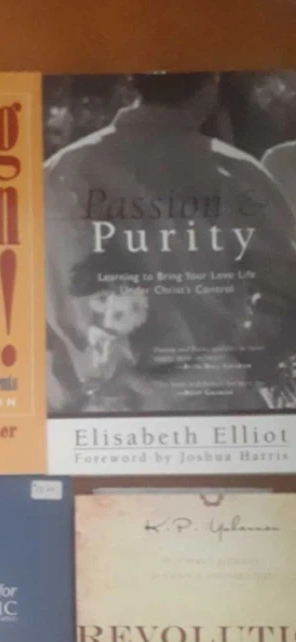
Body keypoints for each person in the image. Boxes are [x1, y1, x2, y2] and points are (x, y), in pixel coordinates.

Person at [44, 72, 296, 414]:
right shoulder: (235, 173)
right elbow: (287, 302)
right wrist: (211, 374)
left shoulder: (55, 174)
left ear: (132, 81)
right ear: (211, 84)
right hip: (213, 414)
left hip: (86, 419)